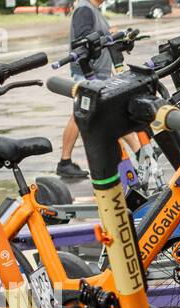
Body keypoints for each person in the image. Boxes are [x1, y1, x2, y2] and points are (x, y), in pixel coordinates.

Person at [56, 0, 119, 180]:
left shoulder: (93, 9)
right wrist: (107, 33)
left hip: (99, 73)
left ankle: (138, 152)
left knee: (110, 113)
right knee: (80, 115)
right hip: (88, 73)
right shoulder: (84, 8)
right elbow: (83, 39)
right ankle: (65, 163)